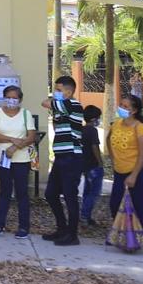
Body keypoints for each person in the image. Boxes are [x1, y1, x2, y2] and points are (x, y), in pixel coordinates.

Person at [40, 76, 85, 246]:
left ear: (69, 91)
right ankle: (62, 229)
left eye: (59, 90)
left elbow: (45, 102)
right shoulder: (61, 107)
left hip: (72, 156)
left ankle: (72, 234)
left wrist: (53, 100)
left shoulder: (71, 104)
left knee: (70, 196)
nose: (55, 93)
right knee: (51, 194)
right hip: (60, 156)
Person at [0, 86, 37, 239]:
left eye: (14, 98)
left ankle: (23, 226)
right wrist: (11, 139)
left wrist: (14, 147)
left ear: (20, 99)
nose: (11, 100)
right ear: (4, 98)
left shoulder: (25, 114)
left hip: (21, 159)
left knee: (22, 192)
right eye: (8, 97)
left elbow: (31, 136)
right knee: (5, 190)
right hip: (2, 158)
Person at [107, 94, 143, 229]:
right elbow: (108, 140)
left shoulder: (140, 127)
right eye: (121, 105)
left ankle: (136, 239)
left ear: (134, 111)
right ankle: (122, 234)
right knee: (115, 204)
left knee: (137, 207)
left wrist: (134, 175)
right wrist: (113, 157)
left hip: (136, 172)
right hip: (119, 171)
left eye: (125, 106)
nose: (121, 108)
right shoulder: (116, 124)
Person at [79, 106, 104, 226]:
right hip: (93, 165)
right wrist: (100, 162)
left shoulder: (82, 129)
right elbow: (95, 147)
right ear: (94, 119)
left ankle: (86, 215)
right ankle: (85, 215)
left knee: (87, 191)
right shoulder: (92, 131)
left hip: (85, 164)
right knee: (93, 192)